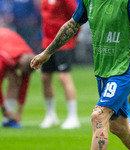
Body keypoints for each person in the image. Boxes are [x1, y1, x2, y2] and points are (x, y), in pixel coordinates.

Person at [31, 0, 130, 149]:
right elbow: (72, 25)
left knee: (98, 116)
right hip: (104, 69)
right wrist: (47, 53)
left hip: (125, 67)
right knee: (119, 127)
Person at [39, 0, 80, 129]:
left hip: (64, 43)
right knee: (45, 77)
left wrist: (75, 35)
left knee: (63, 77)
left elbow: (77, 17)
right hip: (47, 43)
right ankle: (50, 115)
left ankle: (73, 116)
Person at [0, 28, 35, 128]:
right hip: (3, 45)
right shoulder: (6, 57)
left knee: (14, 79)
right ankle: (8, 115)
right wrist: (3, 108)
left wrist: (19, 112)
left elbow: (24, 85)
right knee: (14, 78)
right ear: (20, 64)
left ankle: (8, 120)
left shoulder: (30, 60)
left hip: (6, 41)